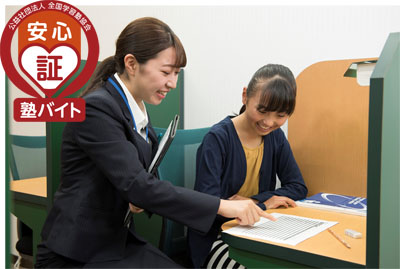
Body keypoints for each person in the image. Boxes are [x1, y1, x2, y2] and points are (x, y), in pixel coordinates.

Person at [34, 17, 275, 268]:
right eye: (166, 72)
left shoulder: (135, 108)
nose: (172, 83)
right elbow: (137, 184)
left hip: (114, 242)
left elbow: (133, 182)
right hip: (75, 253)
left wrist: (135, 198)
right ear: (131, 64)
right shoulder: (95, 108)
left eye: (177, 73)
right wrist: (221, 206)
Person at [187, 64, 308, 268]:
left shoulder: (275, 138)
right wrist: (264, 204)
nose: (269, 122)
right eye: (262, 110)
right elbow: (208, 206)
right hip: (216, 239)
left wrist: (254, 201)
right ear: (245, 96)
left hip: (256, 232)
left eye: (280, 115)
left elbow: (298, 186)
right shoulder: (217, 139)